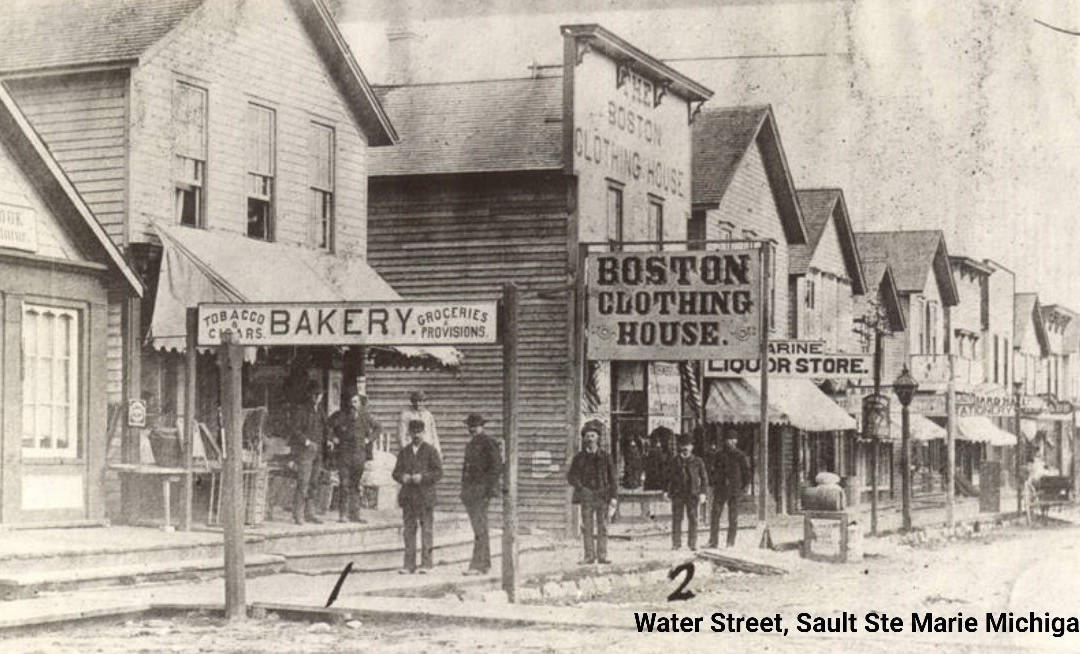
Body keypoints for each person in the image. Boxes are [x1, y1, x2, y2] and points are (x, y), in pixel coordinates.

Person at [392, 418, 443, 574]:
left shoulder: (431, 451)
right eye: (414, 432)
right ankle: (409, 565)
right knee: (409, 531)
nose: (416, 435)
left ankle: (427, 564)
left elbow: (438, 473)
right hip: (408, 497)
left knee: (426, 529)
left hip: (425, 496)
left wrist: (423, 477)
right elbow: (395, 473)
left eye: (419, 432)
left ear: (424, 433)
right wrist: (403, 477)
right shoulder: (404, 452)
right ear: (409, 434)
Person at [567, 420, 616, 565]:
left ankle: (602, 555)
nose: (590, 439)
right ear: (584, 438)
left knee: (603, 526)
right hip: (587, 495)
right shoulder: (579, 458)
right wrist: (580, 487)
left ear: (598, 438)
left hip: (602, 495)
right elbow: (571, 476)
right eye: (587, 436)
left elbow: (613, 478)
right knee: (587, 526)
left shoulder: (606, 457)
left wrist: (613, 497)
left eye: (593, 436)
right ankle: (589, 556)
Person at [328, 390, 380, 523]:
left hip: (359, 455)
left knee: (356, 485)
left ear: (360, 403)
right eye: (351, 402)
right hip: (344, 455)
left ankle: (355, 514)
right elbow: (327, 426)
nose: (353, 404)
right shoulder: (340, 415)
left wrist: (369, 439)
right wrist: (333, 438)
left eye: (356, 401)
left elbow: (378, 428)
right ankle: (343, 515)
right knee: (344, 484)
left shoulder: (366, 416)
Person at [460, 413, 502, 575]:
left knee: (479, 527)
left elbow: (496, 467)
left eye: (475, 426)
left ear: (482, 427)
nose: (472, 429)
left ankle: (477, 565)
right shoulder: (470, 445)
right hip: (470, 492)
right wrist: (463, 490)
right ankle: (485, 564)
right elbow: (466, 470)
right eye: (470, 426)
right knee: (479, 527)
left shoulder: (488, 443)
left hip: (482, 491)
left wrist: (488, 490)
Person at [290, 380, 328, 525]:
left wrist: (328, 439)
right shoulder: (302, 410)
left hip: (318, 452)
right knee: (303, 482)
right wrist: (306, 442)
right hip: (305, 452)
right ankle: (298, 513)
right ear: (309, 395)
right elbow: (295, 429)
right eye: (315, 394)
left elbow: (325, 428)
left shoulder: (320, 411)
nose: (318, 397)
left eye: (320, 395)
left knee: (314, 483)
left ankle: (310, 512)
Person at [708, 434, 751, 548]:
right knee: (715, 514)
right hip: (720, 489)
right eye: (727, 439)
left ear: (735, 441)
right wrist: (713, 483)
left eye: (732, 439)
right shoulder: (719, 455)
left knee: (733, 516)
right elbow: (714, 470)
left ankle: (730, 542)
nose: (729, 442)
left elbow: (746, 472)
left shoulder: (740, 456)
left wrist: (745, 486)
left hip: (734, 489)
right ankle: (713, 541)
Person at [666, 435, 709, 550]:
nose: (686, 448)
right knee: (677, 518)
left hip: (692, 494)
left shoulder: (698, 461)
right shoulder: (674, 461)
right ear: (680, 446)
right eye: (683, 445)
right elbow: (668, 477)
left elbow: (704, 478)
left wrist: (703, 493)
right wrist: (666, 491)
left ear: (692, 447)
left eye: (688, 446)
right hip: (678, 494)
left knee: (693, 519)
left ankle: (692, 543)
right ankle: (676, 543)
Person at [398, 389, 440, 454]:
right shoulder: (406, 414)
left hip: (427, 448)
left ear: (424, 402)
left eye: (420, 401)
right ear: (412, 402)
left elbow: (434, 434)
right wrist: (405, 451)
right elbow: (401, 435)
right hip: (412, 449)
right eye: (416, 401)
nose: (418, 404)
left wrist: (438, 451)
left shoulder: (428, 415)